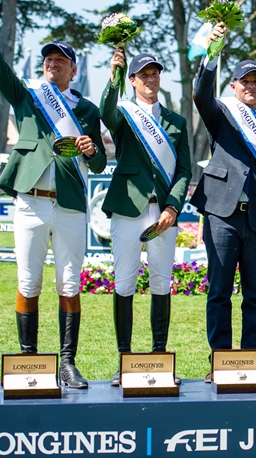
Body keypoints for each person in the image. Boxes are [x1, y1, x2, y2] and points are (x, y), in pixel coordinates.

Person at [0, 0, 106, 389]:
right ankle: (28, 362)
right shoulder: (28, 96)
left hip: (68, 205)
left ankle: (67, 363)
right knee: (28, 279)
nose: (52, 63)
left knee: (69, 281)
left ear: (73, 69)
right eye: (48, 58)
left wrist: (89, 149)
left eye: (60, 60)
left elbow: (99, 163)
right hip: (31, 199)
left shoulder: (87, 109)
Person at [191, 23, 256, 383]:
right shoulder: (222, 113)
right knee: (218, 292)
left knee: (255, 295)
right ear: (233, 86)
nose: (251, 86)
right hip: (222, 215)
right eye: (245, 80)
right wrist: (212, 53)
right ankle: (220, 359)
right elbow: (201, 91)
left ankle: (251, 360)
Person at [101, 50, 192, 386]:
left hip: (162, 213)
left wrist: (172, 207)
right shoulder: (124, 114)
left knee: (161, 283)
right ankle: (124, 359)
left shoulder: (177, 122)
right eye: (144, 74)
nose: (151, 79)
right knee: (124, 282)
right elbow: (105, 111)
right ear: (133, 80)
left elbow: (184, 170)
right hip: (128, 208)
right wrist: (115, 72)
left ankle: (158, 357)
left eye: (156, 73)